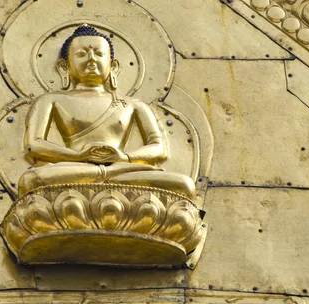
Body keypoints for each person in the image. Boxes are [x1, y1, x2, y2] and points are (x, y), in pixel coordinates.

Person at [18, 24, 195, 199]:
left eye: (99, 53)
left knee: (184, 185)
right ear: (64, 67)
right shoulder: (51, 100)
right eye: (81, 54)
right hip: (74, 168)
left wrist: (124, 157)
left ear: (114, 66)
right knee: (32, 180)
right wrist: (79, 156)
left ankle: (103, 180)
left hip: (122, 169)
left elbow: (159, 148)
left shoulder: (133, 105)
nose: (91, 59)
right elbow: (34, 145)